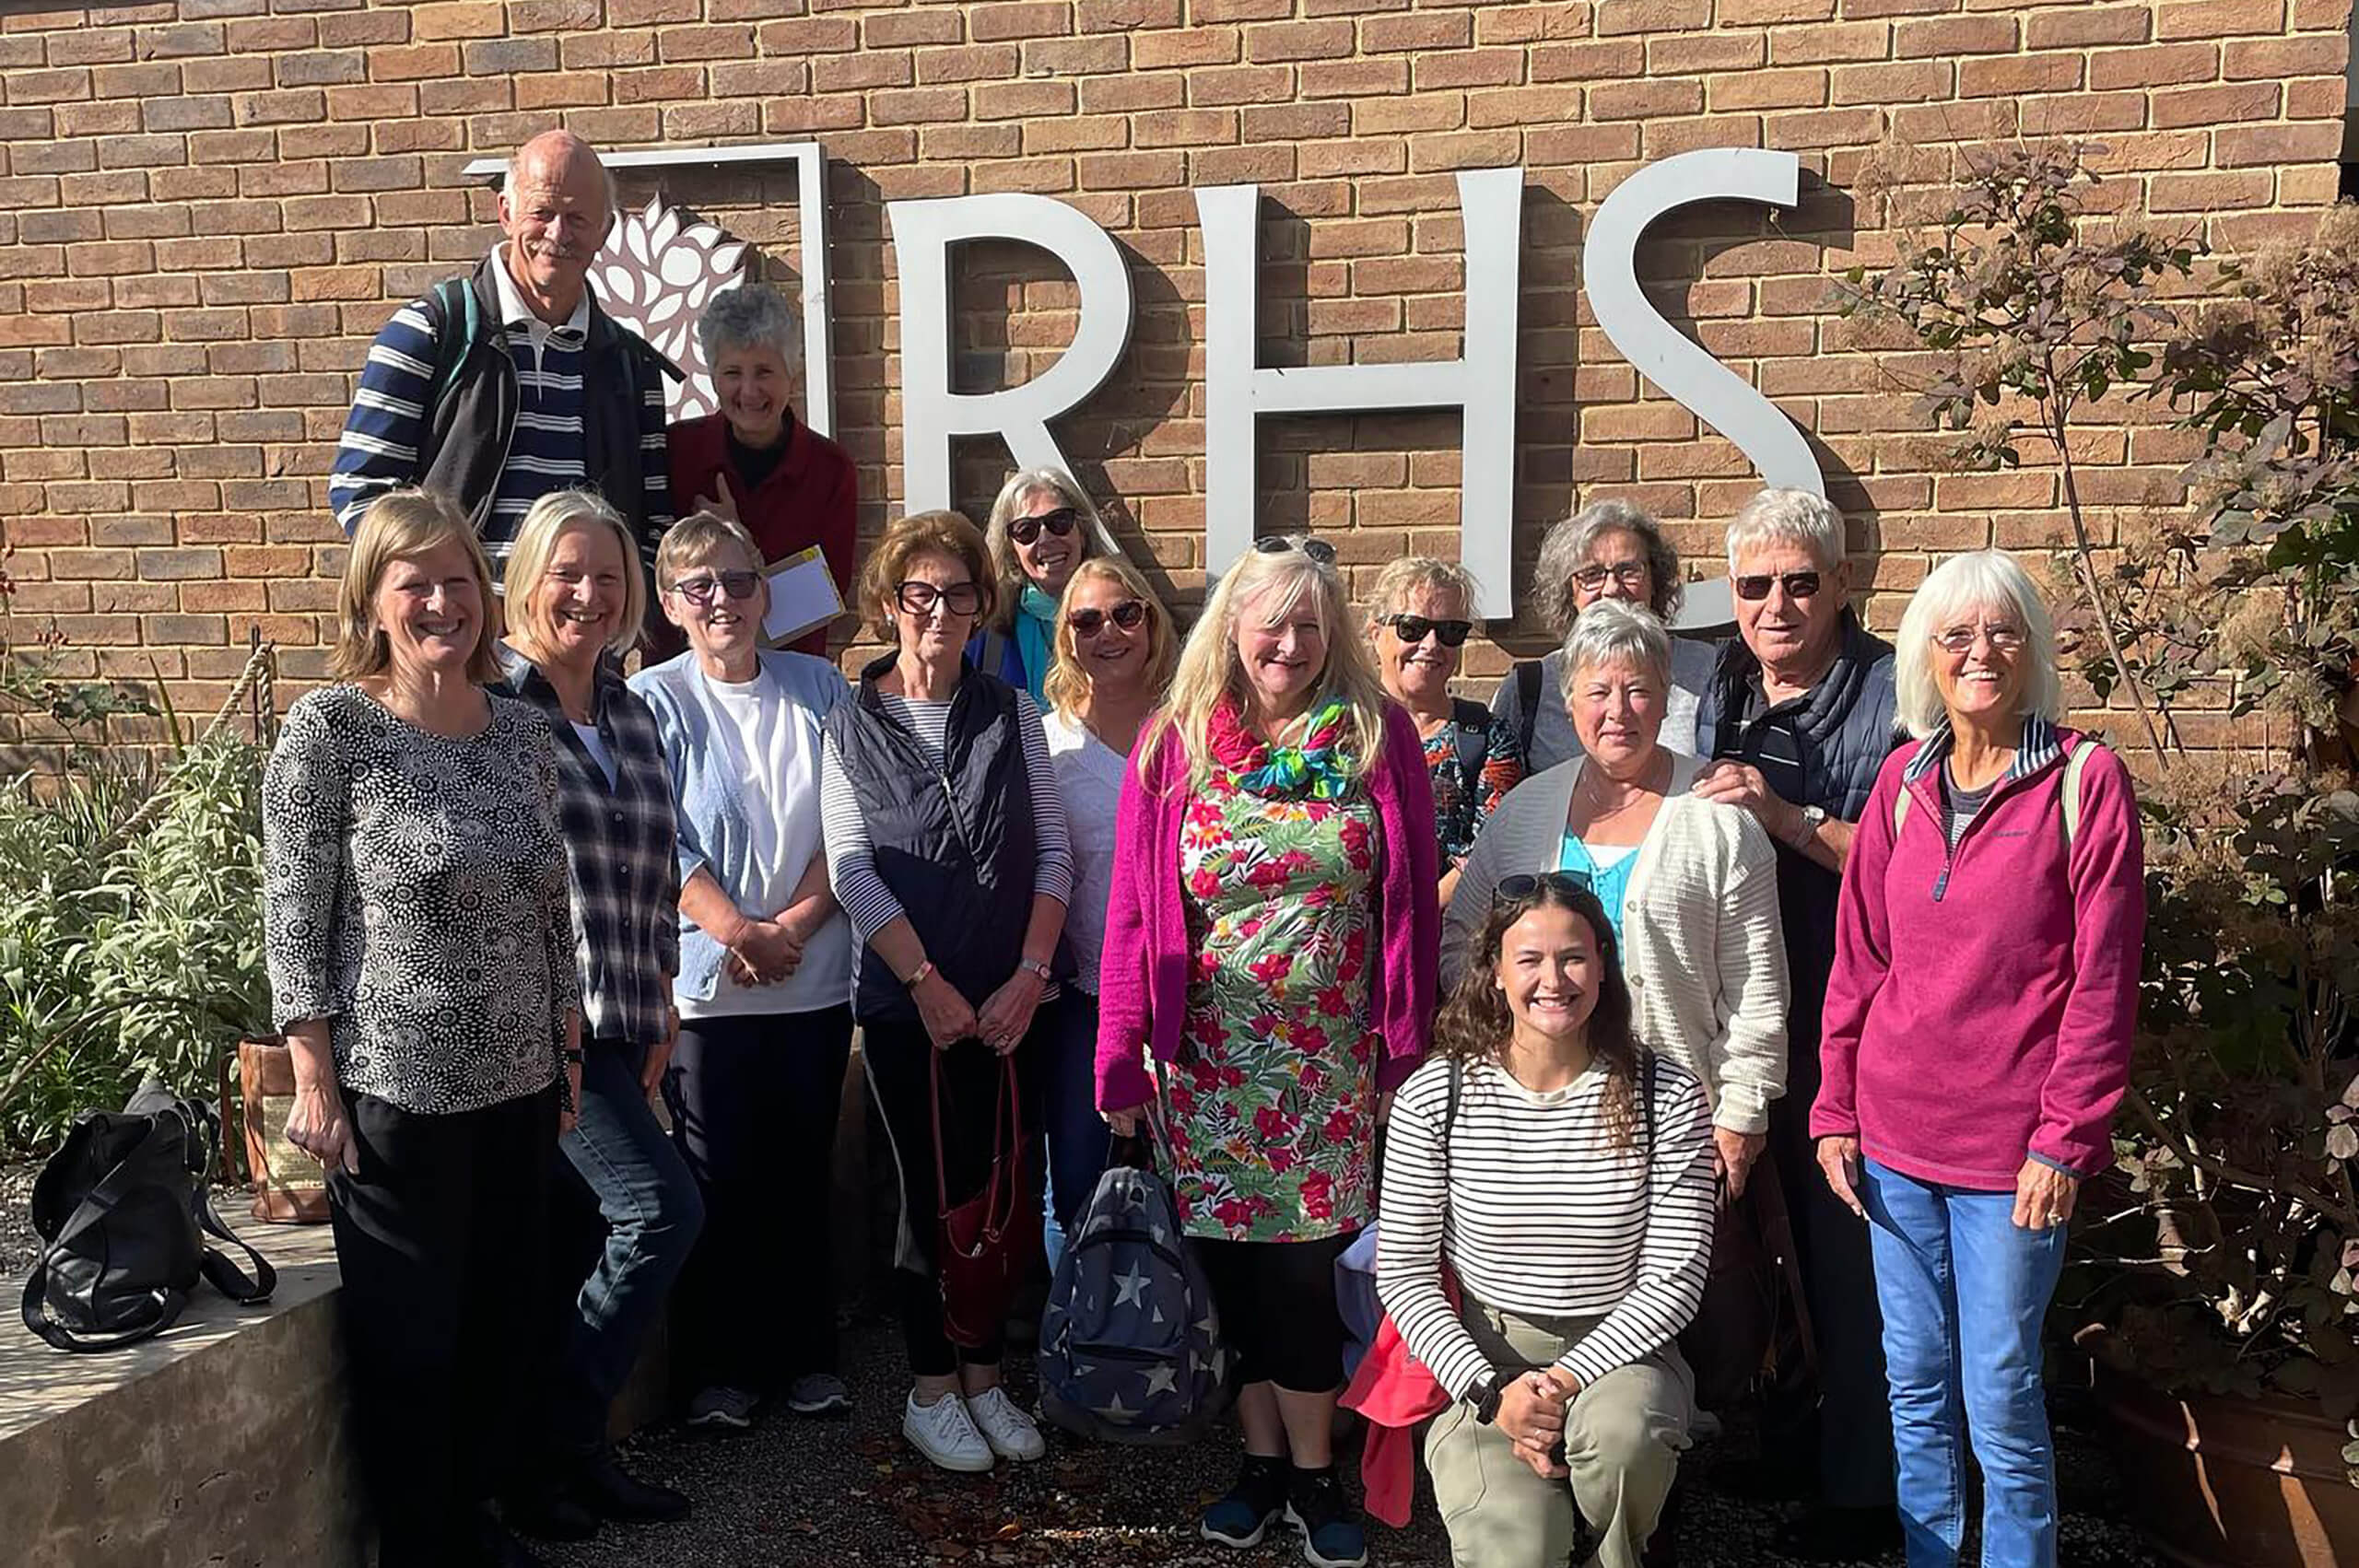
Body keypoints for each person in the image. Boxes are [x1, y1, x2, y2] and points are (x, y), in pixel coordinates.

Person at [1097, 534, 1440, 1568]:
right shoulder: (1176, 743)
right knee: (1228, 1279)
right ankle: (1257, 1467)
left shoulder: (1375, 736)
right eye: (1269, 621)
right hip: (1203, 1072)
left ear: (1330, 628)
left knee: (1302, 1276)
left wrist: (1402, 1056)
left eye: (1307, 621)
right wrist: (1122, 1060)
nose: (1287, 641)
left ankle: (1312, 1476)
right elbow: (1130, 912)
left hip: (1326, 1074)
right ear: (1232, 626)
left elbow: (1413, 903)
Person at [263, 488, 579, 1568]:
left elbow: (553, 908)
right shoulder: (332, 729)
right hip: (397, 1088)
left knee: (500, 1321)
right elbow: (293, 909)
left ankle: (471, 1523)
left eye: (459, 581)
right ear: (374, 601)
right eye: (417, 583)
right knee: (412, 1341)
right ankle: (419, 1544)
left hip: (522, 1079)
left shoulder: (524, 730)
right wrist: (313, 1072)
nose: (443, 601)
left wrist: (568, 1050)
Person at [1814, 550, 2143, 1568]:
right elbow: (1859, 960)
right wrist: (1833, 1109)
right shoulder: (1902, 785)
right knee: (1911, 1377)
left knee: (1998, 1388)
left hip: (2012, 1159)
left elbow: (2102, 983)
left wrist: (2066, 1138)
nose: (1979, 652)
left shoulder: (2084, 783)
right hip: (1896, 1145)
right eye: (1954, 635)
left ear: (2031, 646)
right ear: (1925, 656)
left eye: (2000, 630)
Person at [820, 509, 1074, 1475]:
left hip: (1013, 1005)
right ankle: (931, 1385)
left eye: (958, 593)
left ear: (980, 607)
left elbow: (1053, 854)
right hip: (905, 1009)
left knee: (1002, 1188)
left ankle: (983, 1376)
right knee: (926, 1199)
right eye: (918, 593)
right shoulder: (847, 722)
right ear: (891, 605)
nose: (938, 610)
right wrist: (922, 980)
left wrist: (1028, 975)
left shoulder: (1011, 713)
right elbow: (852, 870)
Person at [1380, 877, 1713, 1568]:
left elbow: (1675, 1278)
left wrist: (1563, 1383)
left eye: (1574, 958)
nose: (1552, 980)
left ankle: (1621, 1542)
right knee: (1516, 1554)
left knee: (1625, 1440)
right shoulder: (1434, 1095)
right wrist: (1492, 1391)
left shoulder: (1667, 1093)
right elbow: (1406, 1272)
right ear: (1495, 973)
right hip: (1486, 1357)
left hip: (1626, 1355)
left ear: (1603, 963)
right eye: (1529, 959)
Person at [1690, 486, 1902, 1556]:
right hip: (1745, 1017)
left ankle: (1867, 1494)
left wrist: (1788, 818)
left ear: (1842, 585)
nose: (1776, 604)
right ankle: (1796, 1436)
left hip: (1852, 1017)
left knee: (1846, 1247)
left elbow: (1923, 862)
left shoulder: (1892, 691)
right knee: (1762, 1241)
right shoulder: (1723, 683)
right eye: (1754, 585)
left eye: (1800, 583)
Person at [494, 489, 700, 1535]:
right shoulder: (501, 710)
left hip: (625, 1016)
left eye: (607, 575)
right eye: (567, 572)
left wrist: (661, 1002)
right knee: (661, 1209)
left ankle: (570, 1460)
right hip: (541, 1034)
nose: (588, 592)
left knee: (579, 1244)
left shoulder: (628, 709)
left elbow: (654, 868)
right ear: (528, 580)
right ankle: (553, 1444)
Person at [629, 510, 859, 1430]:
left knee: (803, 1177)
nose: (722, 598)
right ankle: (716, 1373)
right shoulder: (650, 698)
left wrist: (793, 924)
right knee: (716, 1182)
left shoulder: (821, 688)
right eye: (699, 585)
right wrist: (735, 930)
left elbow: (850, 820)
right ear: (672, 604)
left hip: (812, 975)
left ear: (766, 591)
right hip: (711, 990)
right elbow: (655, 833)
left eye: (737, 579)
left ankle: (806, 1360)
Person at [1445, 600, 1788, 1202]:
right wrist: (1502, 1040)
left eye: (1638, 691)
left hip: (1675, 1123)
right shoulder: (1524, 811)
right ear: (1569, 699)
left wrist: (1742, 1113)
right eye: (1598, 691)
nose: (1617, 712)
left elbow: (1757, 988)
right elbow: (1462, 945)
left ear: (1665, 697)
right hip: (1531, 1120)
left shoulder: (1718, 818)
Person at [330, 131, 674, 577]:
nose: (557, 233)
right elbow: (362, 490)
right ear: (506, 213)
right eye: (542, 212)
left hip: (581, 635)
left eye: (577, 218)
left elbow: (651, 523)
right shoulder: (430, 333)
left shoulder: (630, 364)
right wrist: (439, 593)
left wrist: (617, 614)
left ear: (605, 230)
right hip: (460, 634)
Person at [1037, 554, 1178, 1266]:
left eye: (1127, 613)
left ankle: (1190, 1353)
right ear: (1066, 637)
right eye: (1086, 620)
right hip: (1085, 998)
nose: (1109, 632)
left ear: (1152, 622)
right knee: (1076, 1190)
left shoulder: (1194, 735)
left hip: (1190, 999)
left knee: (1192, 1187)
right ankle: (1079, 1352)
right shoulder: (1045, 744)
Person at [664, 283, 856, 657]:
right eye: (733, 372)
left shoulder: (831, 471)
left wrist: (738, 544)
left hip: (790, 681)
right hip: (686, 681)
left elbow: (814, 604)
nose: (749, 391)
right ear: (713, 376)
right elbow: (656, 592)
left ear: (792, 375)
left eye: (764, 371)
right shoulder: (675, 453)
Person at [1491, 499, 1719, 774]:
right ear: (1568, 591)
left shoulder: (1708, 670)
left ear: (1655, 582)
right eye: (1592, 574)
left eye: (1629, 571)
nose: (1611, 588)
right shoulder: (1529, 690)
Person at [1364, 556, 1521, 906]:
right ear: (1376, 634)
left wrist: (1416, 917)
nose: (1432, 644)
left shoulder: (1487, 736)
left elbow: (1491, 845)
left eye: (1450, 631)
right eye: (1412, 627)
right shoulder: (1344, 729)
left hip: (1447, 939)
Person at [970, 466, 1119, 704]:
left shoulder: (1124, 618)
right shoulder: (986, 630)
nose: (1046, 538)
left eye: (1059, 522)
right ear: (1011, 548)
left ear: (1082, 530)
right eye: (1026, 530)